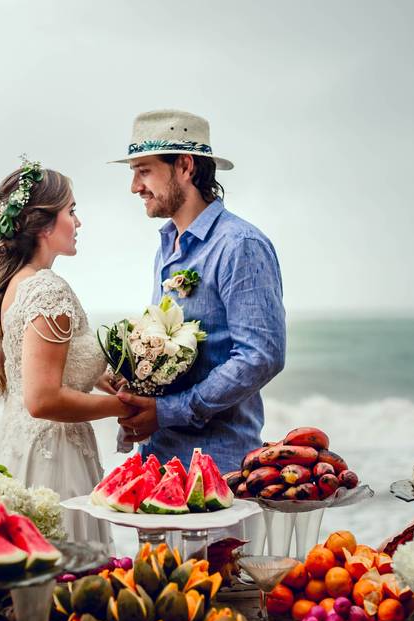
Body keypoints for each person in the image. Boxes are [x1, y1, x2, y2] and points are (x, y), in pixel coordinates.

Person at [109, 109, 287, 476]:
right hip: (157, 460)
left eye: (144, 170)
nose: (134, 187)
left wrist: (167, 411)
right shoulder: (166, 245)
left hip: (217, 467)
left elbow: (261, 356)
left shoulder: (240, 245)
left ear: (185, 166)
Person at [0, 158, 129, 546]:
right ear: (44, 224)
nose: (78, 223)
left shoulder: (16, 284)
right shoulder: (47, 289)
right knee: (65, 588)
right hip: (55, 464)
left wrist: (100, 378)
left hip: (16, 453)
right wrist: (126, 408)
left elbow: (37, 362)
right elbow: (43, 399)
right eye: (72, 211)